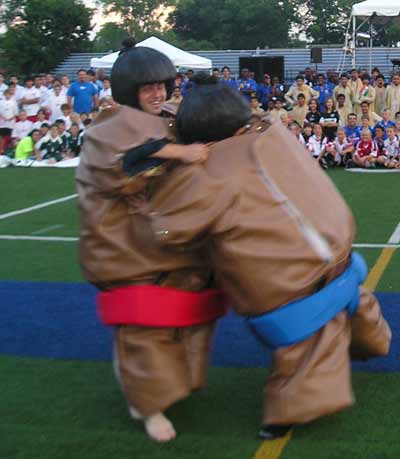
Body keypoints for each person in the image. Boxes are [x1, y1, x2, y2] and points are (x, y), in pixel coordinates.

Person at [137, 80, 391, 440]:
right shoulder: (273, 133)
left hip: (295, 291)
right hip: (343, 262)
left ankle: (287, 413)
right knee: (365, 329)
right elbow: (245, 116)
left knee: (303, 370)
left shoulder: (206, 175)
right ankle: (367, 336)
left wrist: (150, 194)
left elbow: (165, 232)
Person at [76, 41, 226, 443]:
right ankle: (146, 404)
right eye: (148, 88)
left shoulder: (167, 117)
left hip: (171, 238)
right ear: (129, 91)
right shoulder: (107, 129)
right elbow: (123, 166)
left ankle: (172, 381)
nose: (158, 93)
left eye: (163, 84)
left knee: (194, 303)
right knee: (144, 319)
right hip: (125, 244)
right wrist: (181, 153)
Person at [0, 88, 18, 154]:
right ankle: (1, 150)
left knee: (11, 137)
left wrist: (11, 118)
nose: (8, 96)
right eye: (6, 94)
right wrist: (3, 117)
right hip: (2, 123)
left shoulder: (14, 102)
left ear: (11, 95)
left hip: (11, 123)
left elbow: (16, 113)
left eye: (9, 94)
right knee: (1, 137)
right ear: (4, 94)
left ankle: (11, 151)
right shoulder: (1, 102)